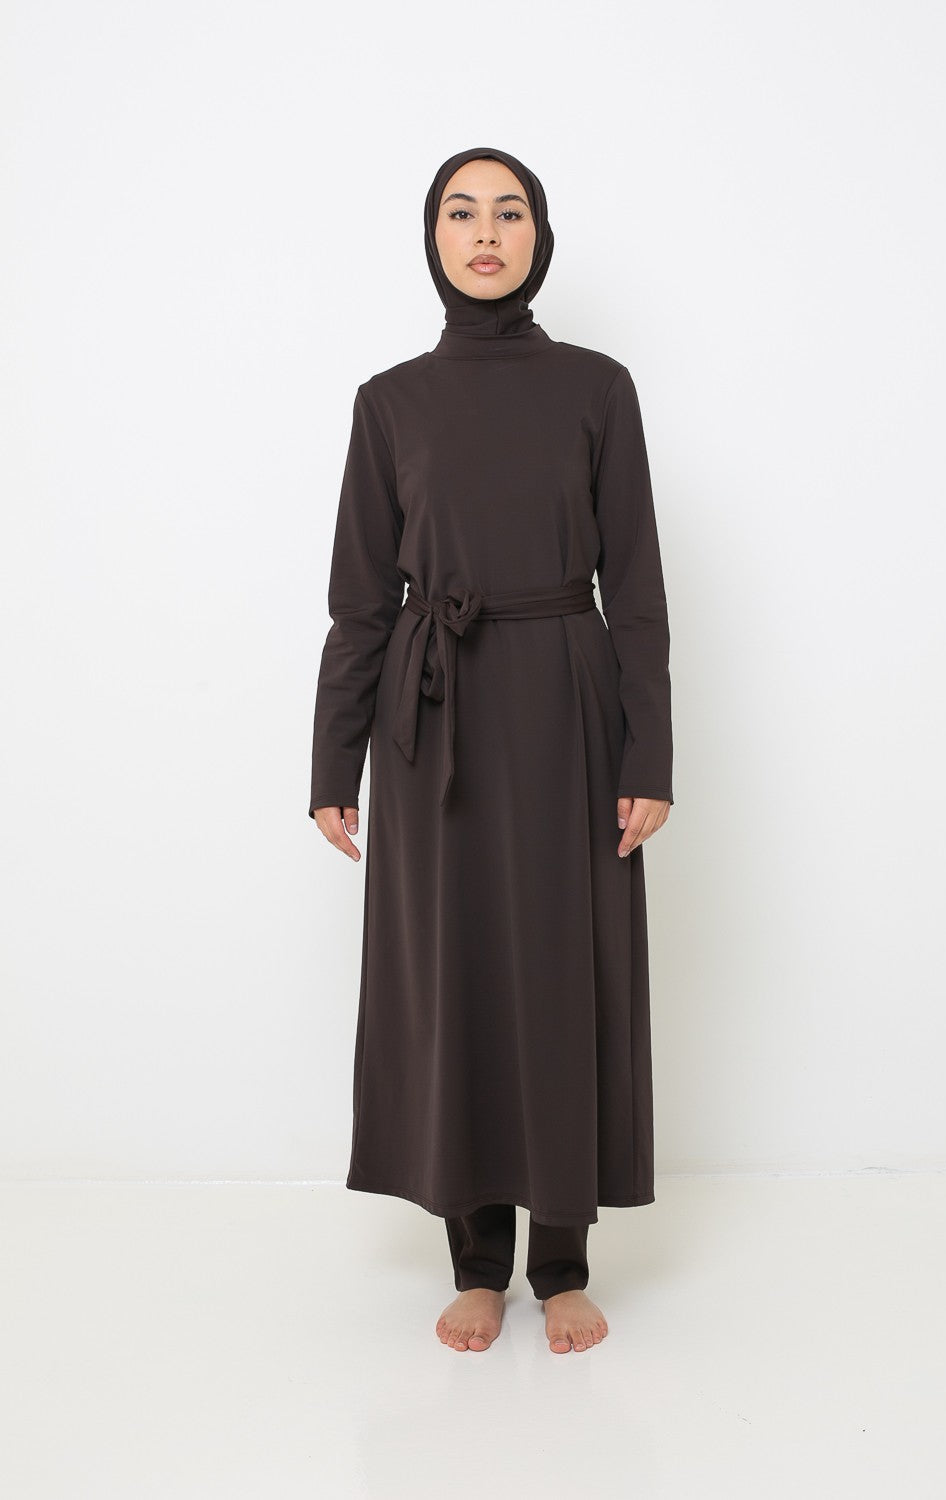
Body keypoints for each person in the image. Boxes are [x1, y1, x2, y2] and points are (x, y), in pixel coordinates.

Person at [309, 146, 674, 1355]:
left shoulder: (597, 387)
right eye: (461, 213)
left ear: (538, 237)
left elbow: (637, 587)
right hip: (433, 719)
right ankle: (476, 1262)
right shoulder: (390, 402)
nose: (484, 232)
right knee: (454, 976)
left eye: (508, 213)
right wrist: (334, 761)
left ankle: (561, 1263)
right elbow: (361, 602)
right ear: (432, 237)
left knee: (564, 969)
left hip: (568, 704)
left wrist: (649, 754)